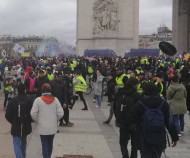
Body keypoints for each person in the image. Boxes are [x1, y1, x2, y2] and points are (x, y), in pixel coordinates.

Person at [125, 82, 179, 158]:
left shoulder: (140, 104)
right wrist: (174, 137)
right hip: (159, 136)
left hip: (144, 137)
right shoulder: (163, 103)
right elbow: (170, 122)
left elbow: (130, 119)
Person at [30, 83, 63, 158]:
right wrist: (55, 119)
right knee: (50, 144)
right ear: (50, 90)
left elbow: (33, 113)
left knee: (44, 144)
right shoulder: (55, 100)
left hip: (42, 127)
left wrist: (37, 120)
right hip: (52, 126)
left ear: (42, 90)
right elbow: (61, 113)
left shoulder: (38, 100)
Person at [5, 83, 33, 158]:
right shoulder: (29, 101)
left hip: (15, 125)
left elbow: (7, 115)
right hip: (26, 125)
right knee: (23, 141)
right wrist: (29, 120)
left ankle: (19, 156)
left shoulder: (13, 101)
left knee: (16, 142)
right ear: (25, 90)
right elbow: (32, 113)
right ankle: (23, 155)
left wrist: (12, 121)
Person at [119, 78, 141, 158]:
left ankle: (125, 156)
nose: (138, 86)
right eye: (137, 84)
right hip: (134, 122)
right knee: (134, 143)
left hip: (122, 121)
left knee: (123, 142)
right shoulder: (137, 95)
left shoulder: (121, 92)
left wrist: (118, 117)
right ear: (134, 85)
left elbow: (115, 106)